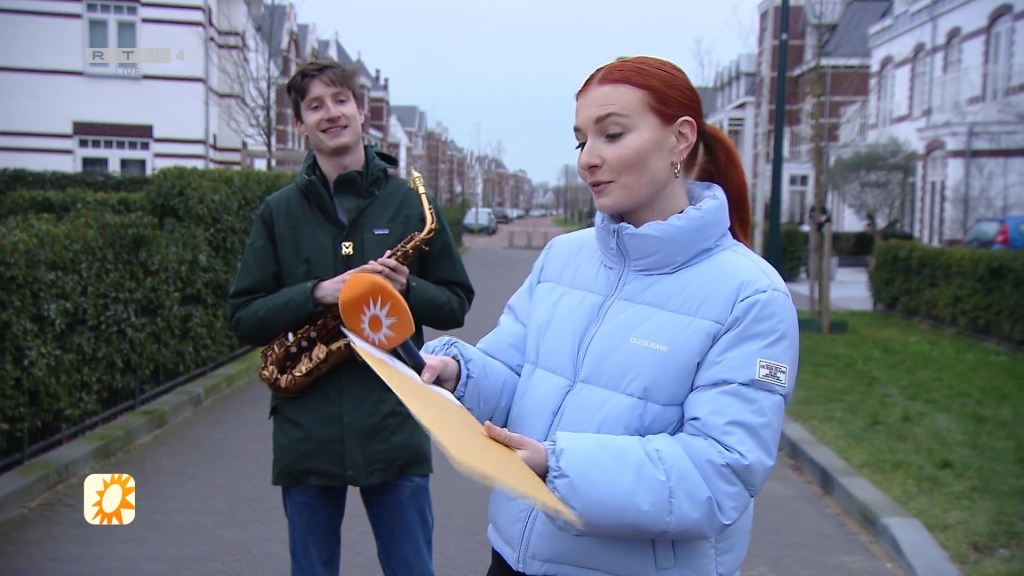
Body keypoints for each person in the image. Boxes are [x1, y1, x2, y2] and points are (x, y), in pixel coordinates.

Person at [419, 55, 800, 576]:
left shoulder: (750, 296)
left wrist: (558, 467)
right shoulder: (562, 258)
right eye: (581, 141)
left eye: (612, 135)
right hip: (511, 558)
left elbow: (719, 475)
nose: (587, 160)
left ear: (680, 139)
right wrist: (459, 375)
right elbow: (514, 381)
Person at [227, 59, 474, 576]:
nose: (331, 113)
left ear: (362, 112)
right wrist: (317, 293)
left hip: (394, 424)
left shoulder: (409, 202)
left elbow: (456, 303)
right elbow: (244, 316)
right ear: (300, 124)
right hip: (307, 431)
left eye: (341, 100)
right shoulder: (278, 212)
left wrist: (407, 288)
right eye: (315, 105)